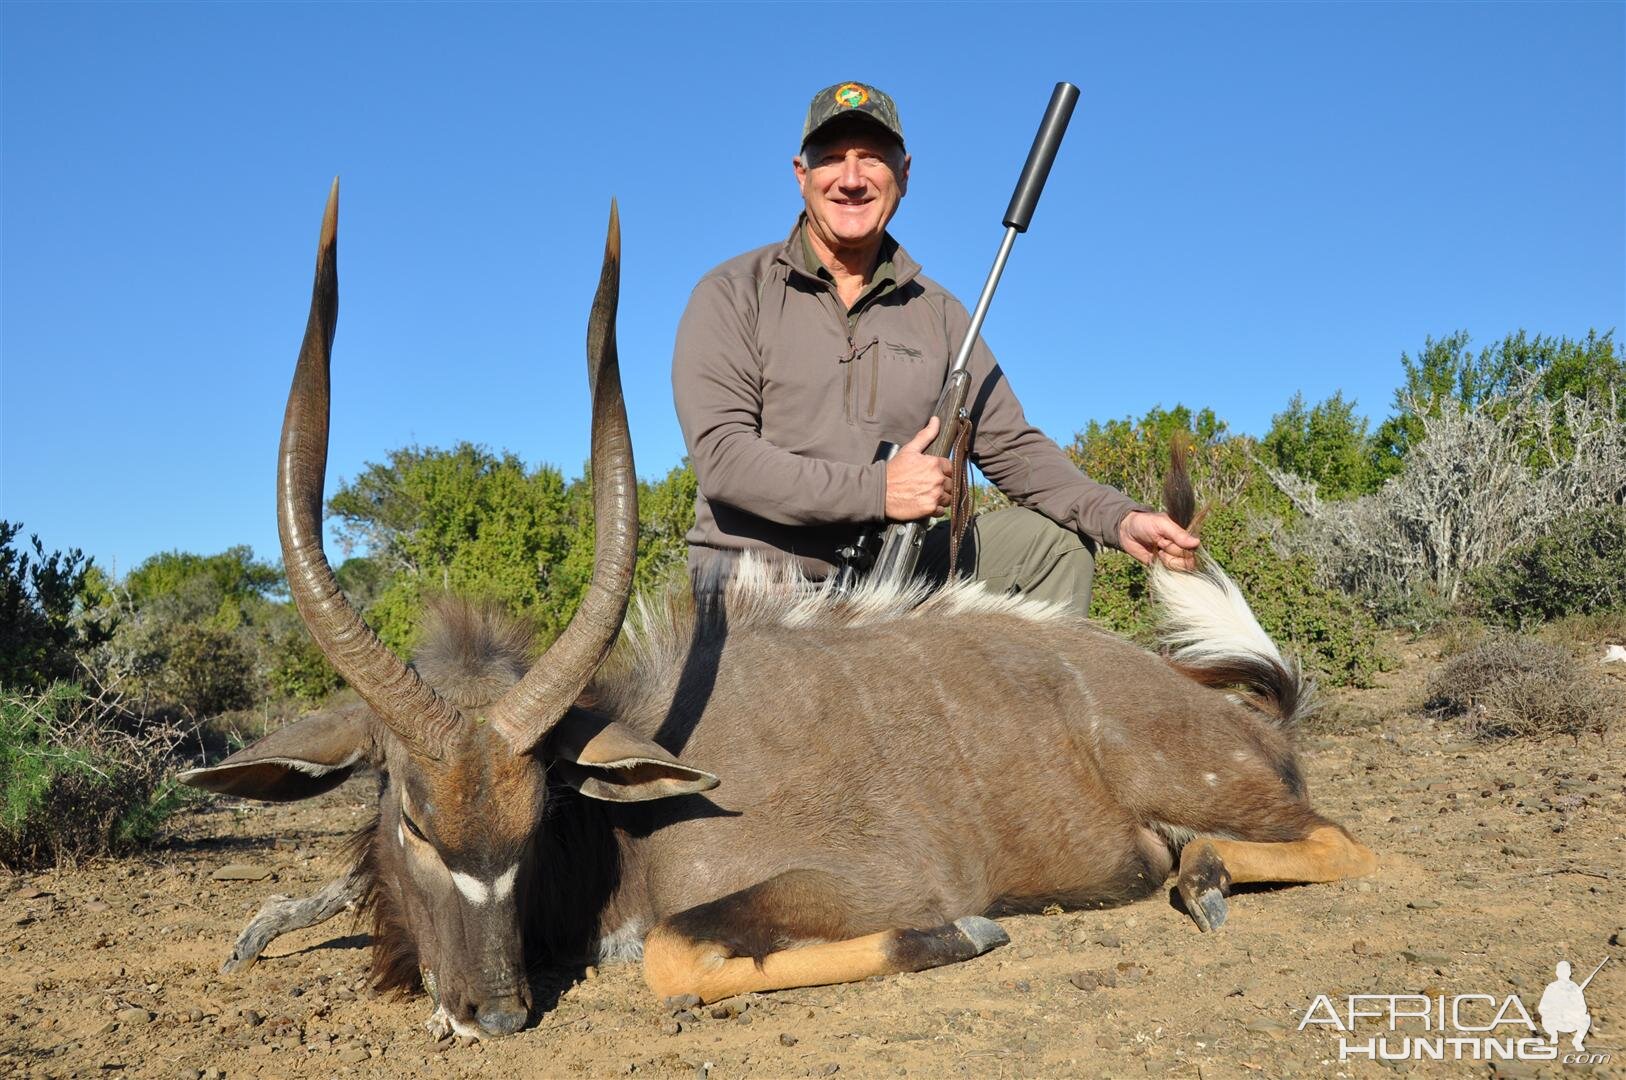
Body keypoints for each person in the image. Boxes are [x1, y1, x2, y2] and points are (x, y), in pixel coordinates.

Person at [672, 81, 1198, 613]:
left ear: (903, 173)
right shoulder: (733, 292)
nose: (851, 180)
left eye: (872, 159)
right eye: (831, 159)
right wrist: (878, 492)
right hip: (756, 589)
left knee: (1051, 547)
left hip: (888, 579)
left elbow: (1013, 447)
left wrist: (1120, 517)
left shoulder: (942, 315)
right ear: (801, 175)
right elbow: (724, 458)